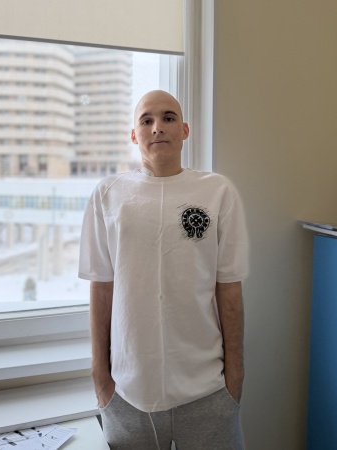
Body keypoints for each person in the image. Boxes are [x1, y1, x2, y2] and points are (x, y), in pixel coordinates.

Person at [78, 90, 249, 449]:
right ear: (134, 134)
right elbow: (101, 287)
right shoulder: (108, 195)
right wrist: (100, 377)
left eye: (168, 118)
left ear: (184, 130)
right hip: (127, 393)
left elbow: (229, 288)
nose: (158, 127)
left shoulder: (217, 191)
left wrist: (235, 375)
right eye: (147, 120)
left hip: (207, 389)